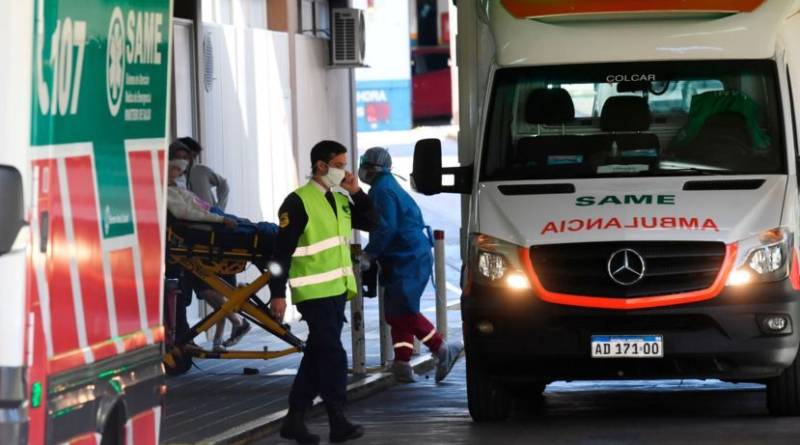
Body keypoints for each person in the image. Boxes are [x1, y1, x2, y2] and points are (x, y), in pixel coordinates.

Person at [269, 140, 377, 445]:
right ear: (320, 165)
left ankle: (294, 419)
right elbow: (280, 254)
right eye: (339, 164)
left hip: (336, 291)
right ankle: (337, 419)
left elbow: (372, 221)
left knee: (317, 355)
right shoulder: (298, 202)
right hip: (312, 293)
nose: (345, 170)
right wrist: (277, 293)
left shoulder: (341, 200)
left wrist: (356, 192)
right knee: (333, 354)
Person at [358, 147, 463, 383]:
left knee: (403, 311)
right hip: (405, 257)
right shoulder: (385, 186)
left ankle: (442, 348)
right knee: (396, 312)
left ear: (370, 166)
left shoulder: (382, 191)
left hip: (407, 257)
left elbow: (387, 227)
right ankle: (402, 362)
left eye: (363, 163)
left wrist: (369, 254)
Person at [166, 158, 258, 351]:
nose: (178, 172)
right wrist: (220, 218)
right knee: (214, 290)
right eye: (175, 168)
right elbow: (192, 212)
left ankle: (229, 331)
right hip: (208, 235)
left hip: (208, 237)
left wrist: (220, 216)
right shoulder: (174, 192)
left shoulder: (180, 189)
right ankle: (227, 333)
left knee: (212, 290)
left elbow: (196, 211)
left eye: (179, 169)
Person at [171, 137, 230, 211]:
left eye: (194, 156)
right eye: (186, 156)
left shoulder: (201, 170)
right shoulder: (171, 175)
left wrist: (219, 208)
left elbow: (223, 184)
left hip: (212, 217)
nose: (192, 160)